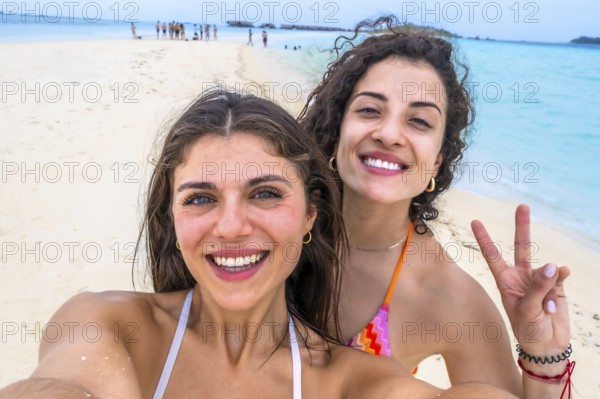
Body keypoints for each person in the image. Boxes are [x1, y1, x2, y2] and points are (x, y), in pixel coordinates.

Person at [1, 89, 556, 399]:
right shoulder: (109, 326)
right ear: (171, 219)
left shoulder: (349, 383)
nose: (231, 226)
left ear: (312, 212)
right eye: (199, 198)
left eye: (264, 193)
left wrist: (545, 354)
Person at [299, 15, 574, 397]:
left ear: (438, 162)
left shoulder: (446, 294)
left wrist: (546, 357)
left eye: (419, 121)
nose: (389, 133)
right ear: (336, 128)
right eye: (369, 110)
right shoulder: (280, 226)